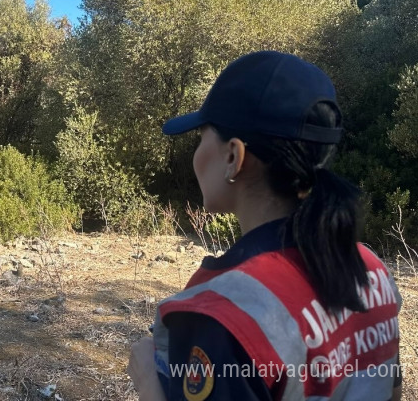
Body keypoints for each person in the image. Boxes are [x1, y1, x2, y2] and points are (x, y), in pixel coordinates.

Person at [127, 51, 403, 401]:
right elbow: (391, 392)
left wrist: (149, 382)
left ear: (233, 157)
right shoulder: (371, 269)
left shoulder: (225, 313)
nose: (196, 154)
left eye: (201, 137)